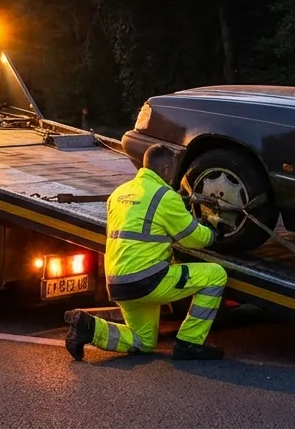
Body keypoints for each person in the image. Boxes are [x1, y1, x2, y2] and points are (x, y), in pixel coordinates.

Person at [65, 143, 229, 361]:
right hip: (148, 281)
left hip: (118, 283)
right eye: (173, 168)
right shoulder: (164, 196)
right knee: (216, 275)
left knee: (143, 342)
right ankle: (189, 342)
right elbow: (193, 239)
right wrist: (213, 232)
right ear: (164, 171)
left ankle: (89, 327)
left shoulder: (119, 193)